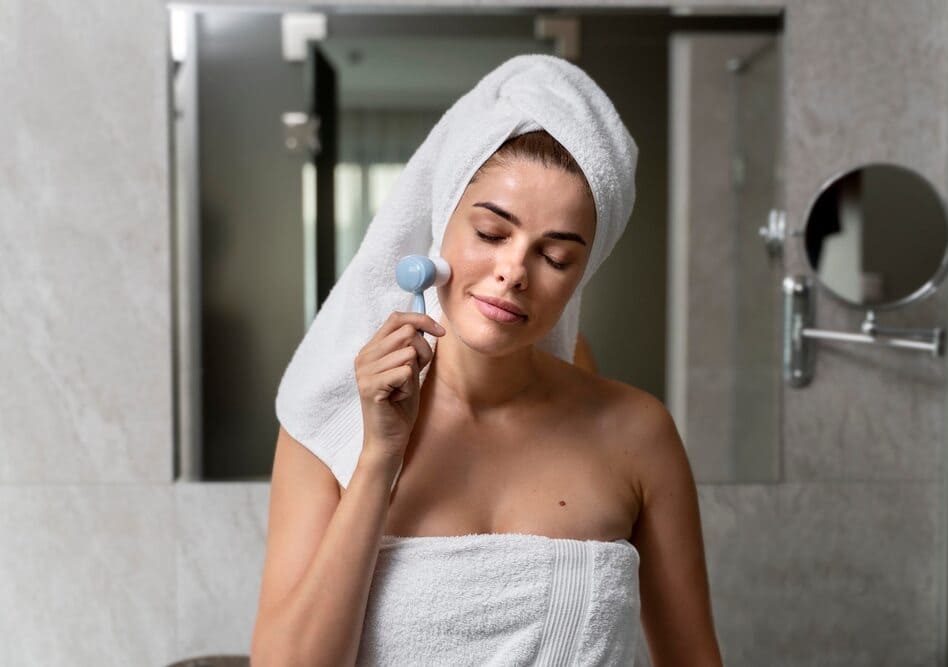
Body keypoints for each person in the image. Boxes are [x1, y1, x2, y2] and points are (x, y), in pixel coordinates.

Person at [252, 58, 722, 666]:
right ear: (442, 224)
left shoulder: (636, 434)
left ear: (581, 276)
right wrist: (377, 459)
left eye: (555, 257)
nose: (513, 272)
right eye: (491, 233)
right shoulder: (331, 425)